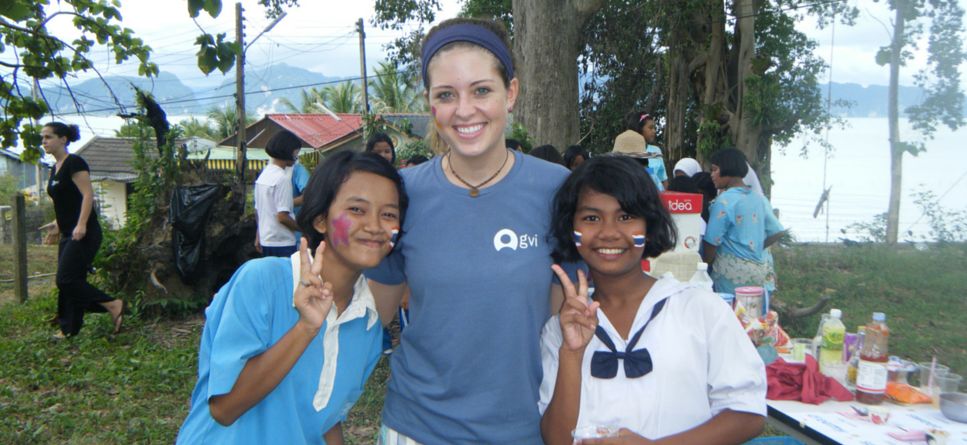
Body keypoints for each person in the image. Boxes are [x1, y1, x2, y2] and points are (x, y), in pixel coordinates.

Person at [364, 17, 583, 444]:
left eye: (481, 90)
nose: (464, 110)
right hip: (416, 427)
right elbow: (372, 319)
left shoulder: (558, 190)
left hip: (523, 427)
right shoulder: (402, 195)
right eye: (446, 95)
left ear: (511, 93)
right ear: (430, 103)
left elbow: (563, 322)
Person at [176, 151, 408, 445]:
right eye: (357, 209)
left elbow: (327, 421)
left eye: (389, 214)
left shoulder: (368, 324)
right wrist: (305, 329)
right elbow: (224, 408)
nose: (375, 226)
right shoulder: (262, 281)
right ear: (321, 219)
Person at [539, 155, 767, 445]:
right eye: (591, 218)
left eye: (625, 217)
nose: (609, 233)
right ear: (571, 229)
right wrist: (571, 355)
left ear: (649, 225)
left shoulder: (701, 311)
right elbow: (557, 440)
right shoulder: (560, 330)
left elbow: (747, 413)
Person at [38, 123, 124, 339]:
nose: (44, 142)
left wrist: (82, 224)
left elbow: (87, 195)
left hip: (85, 233)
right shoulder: (54, 168)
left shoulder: (74, 163)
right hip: (69, 232)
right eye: (43, 138)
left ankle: (112, 304)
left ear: (63, 139)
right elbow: (68, 202)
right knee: (70, 280)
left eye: (48, 137)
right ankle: (68, 329)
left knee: (65, 279)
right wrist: (57, 225)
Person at [702, 148, 785, 295]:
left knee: (730, 313)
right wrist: (757, 248)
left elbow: (711, 241)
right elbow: (776, 231)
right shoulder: (757, 197)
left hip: (731, 272)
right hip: (758, 270)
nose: (712, 175)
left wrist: (706, 264)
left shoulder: (724, 200)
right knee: (748, 314)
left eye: (715, 170)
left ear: (727, 167)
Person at [255, 130, 302, 258]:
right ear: (288, 151)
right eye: (296, 153)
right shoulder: (282, 179)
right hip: (282, 242)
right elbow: (282, 217)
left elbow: (257, 210)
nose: (296, 158)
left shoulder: (263, 175)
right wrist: (304, 229)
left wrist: (258, 235)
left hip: (266, 240)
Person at [626, 110, 667, 189]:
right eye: (650, 128)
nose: (654, 131)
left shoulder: (656, 151)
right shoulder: (625, 150)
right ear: (639, 128)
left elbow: (663, 179)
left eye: (654, 128)